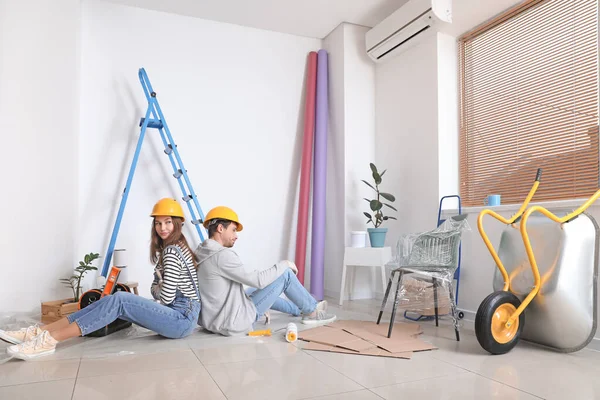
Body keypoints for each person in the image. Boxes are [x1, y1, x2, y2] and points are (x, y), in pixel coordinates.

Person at [0, 198, 201, 360]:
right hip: (179, 315)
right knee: (109, 300)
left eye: (168, 222)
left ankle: (49, 340)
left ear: (178, 224)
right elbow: (160, 289)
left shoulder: (172, 252)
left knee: (121, 299)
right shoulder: (175, 248)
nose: (162, 228)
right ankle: (38, 332)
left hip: (180, 319)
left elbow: (163, 296)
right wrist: (159, 285)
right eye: (158, 223)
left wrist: (158, 286)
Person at [195, 206, 336, 336]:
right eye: (233, 230)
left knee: (249, 292)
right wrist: (285, 264)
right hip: (234, 323)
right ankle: (312, 311)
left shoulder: (201, 252)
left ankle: (299, 309)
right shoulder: (222, 255)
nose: (236, 236)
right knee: (285, 275)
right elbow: (258, 281)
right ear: (220, 228)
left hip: (212, 321)